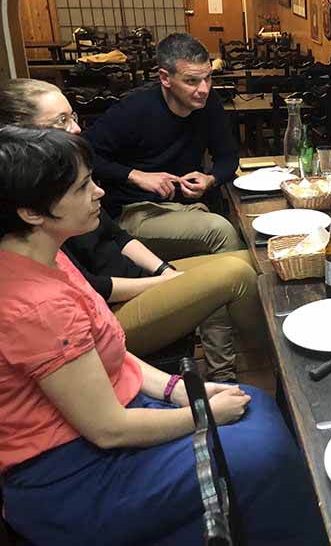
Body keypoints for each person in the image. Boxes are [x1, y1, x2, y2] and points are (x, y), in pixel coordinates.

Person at [0, 124, 323, 545]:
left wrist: (181, 390)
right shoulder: (36, 305)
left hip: (103, 426)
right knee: (264, 453)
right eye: (82, 187)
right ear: (31, 212)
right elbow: (108, 429)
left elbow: (112, 352)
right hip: (71, 474)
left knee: (257, 404)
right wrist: (199, 415)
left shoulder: (48, 256)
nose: (99, 193)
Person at [0, 79, 262, 383]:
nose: (77, 129)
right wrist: (161, 283)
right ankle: (269, 358)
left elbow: (116, 236)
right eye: (62, 120)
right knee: (233, 272)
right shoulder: (33, 200)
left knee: (248, 261)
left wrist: (163, 270)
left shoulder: (65, 178)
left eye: (73, 117)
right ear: (21, 128)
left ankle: (231, 367)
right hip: (108, 313)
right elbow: (91, 287)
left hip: (136, 280)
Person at [83, 32, 243, 260]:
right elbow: (81, 154)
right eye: (191, 81)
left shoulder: (208, 104)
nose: (204, 89)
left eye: (208, 77)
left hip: (184, 206)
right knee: (221, 231)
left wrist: (211, 179)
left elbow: (228, 157)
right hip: (134, 210)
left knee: (240, 229)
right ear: (165, 78)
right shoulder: (135, 109)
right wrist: (134, 175)